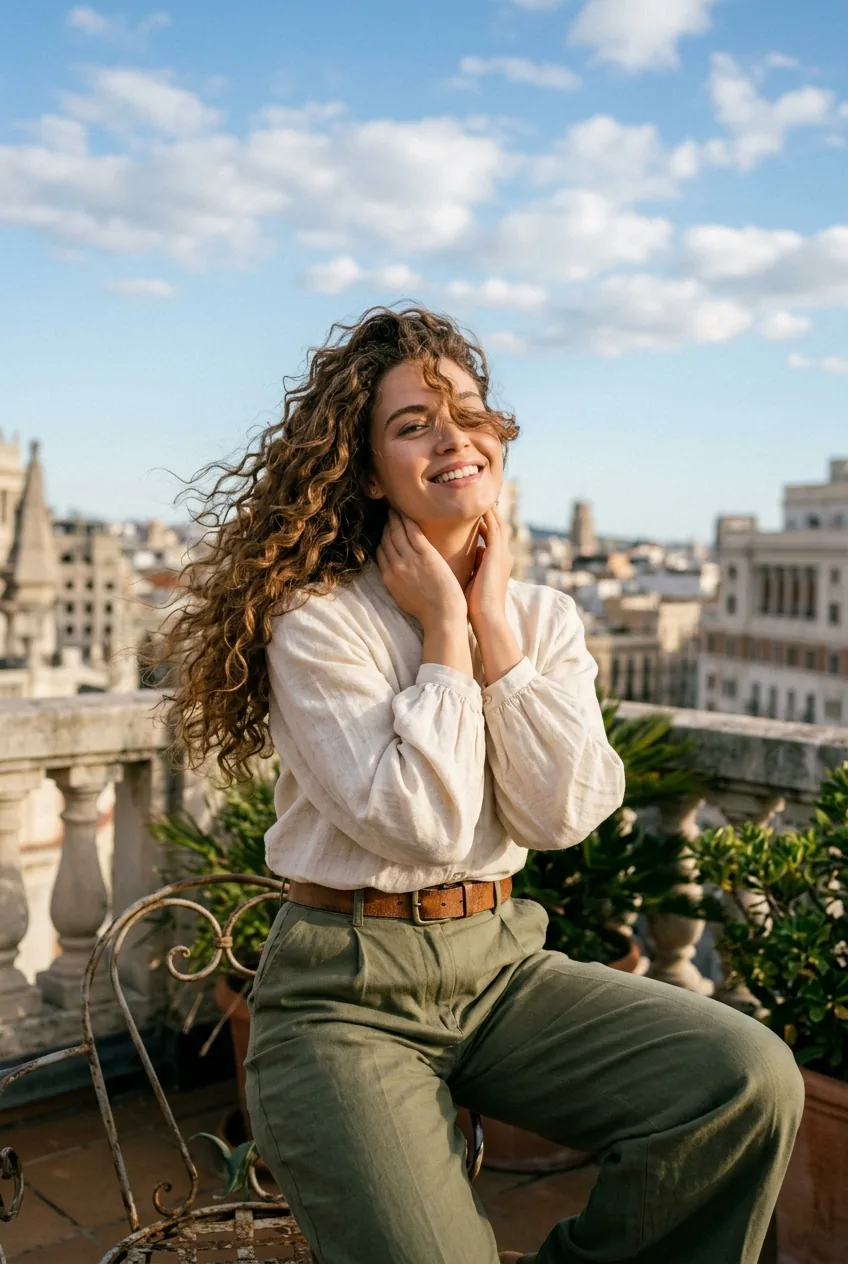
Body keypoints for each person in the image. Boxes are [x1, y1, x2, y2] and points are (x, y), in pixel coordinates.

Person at [161, 306, 803, 1264]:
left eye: (466, 412)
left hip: (501, 966)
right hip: (344, 991)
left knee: (744, 1077)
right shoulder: (318, 622)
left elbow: (565, 813)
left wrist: (494, 627)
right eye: (412, 425)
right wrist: (444, 639)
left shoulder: (542, 616)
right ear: (368, 472)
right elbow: (422, 824)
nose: (452, 436)